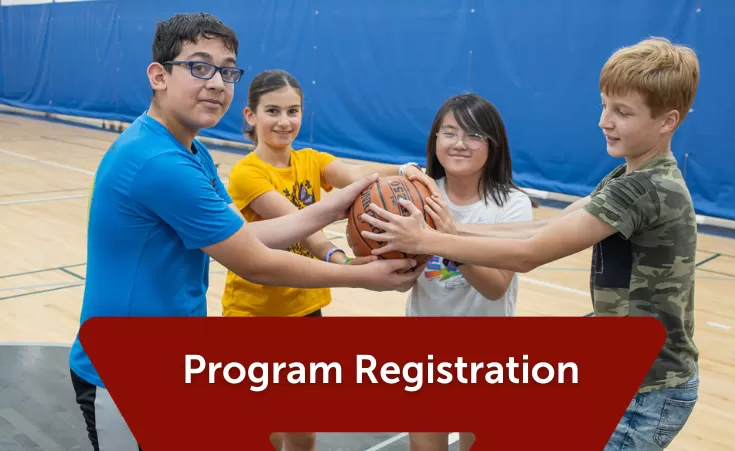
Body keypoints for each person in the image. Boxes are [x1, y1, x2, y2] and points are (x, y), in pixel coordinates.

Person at [68, 13, 420, 451]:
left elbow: (250, 234)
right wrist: (363, 275)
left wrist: (337, 201)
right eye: (199, 67)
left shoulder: (189, 151)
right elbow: (253, 261)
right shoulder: (159, 162)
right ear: (158, 75)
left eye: (227, 70)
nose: (217, 82)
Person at [359, 37, 701, 450]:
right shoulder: (626, 178)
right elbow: (542, 231)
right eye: (604, 106)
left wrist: (430, 238)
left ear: (668, 121)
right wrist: (445, 233)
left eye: (622, 112)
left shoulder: (644, 189)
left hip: (649, 387)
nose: (604, 122)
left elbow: (529, 254)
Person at [221, 68, 437, 451]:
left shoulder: (312, 160)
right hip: (255, 318)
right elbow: (299, 223)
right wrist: (347, 267)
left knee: (303, 430)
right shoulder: (246, 174)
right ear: (250, 116)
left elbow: (356, 175)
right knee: (265, 430)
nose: (284, 122)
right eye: (272, 111)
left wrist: (405, 171)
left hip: (307, 311)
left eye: (293, 111)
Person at [404, 93, 534, 451]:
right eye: (449, 133)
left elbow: (495, 287)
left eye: (473, 135)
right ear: (434, 141)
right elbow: (402, 282)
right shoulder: (416, 196)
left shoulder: (511, 205)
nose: (459, 144)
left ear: (493, 145)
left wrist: (448, 240)